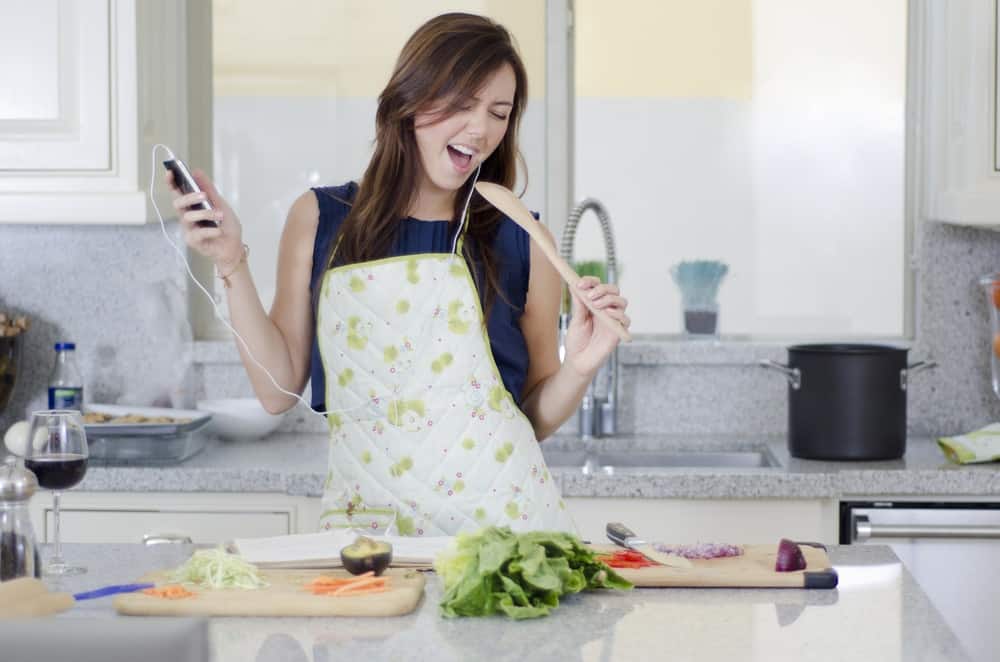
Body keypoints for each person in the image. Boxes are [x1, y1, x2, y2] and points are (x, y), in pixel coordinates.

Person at [168, 13, 630, 535]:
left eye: (498, 113)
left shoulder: (521, 236)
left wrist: (581, 368)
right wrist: (231, 263)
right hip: (370, 540)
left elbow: (533, 420)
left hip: (501, 541)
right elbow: (277, 389)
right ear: (409, 98)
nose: (480, 130)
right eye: (462, 103)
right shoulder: (322, 219)